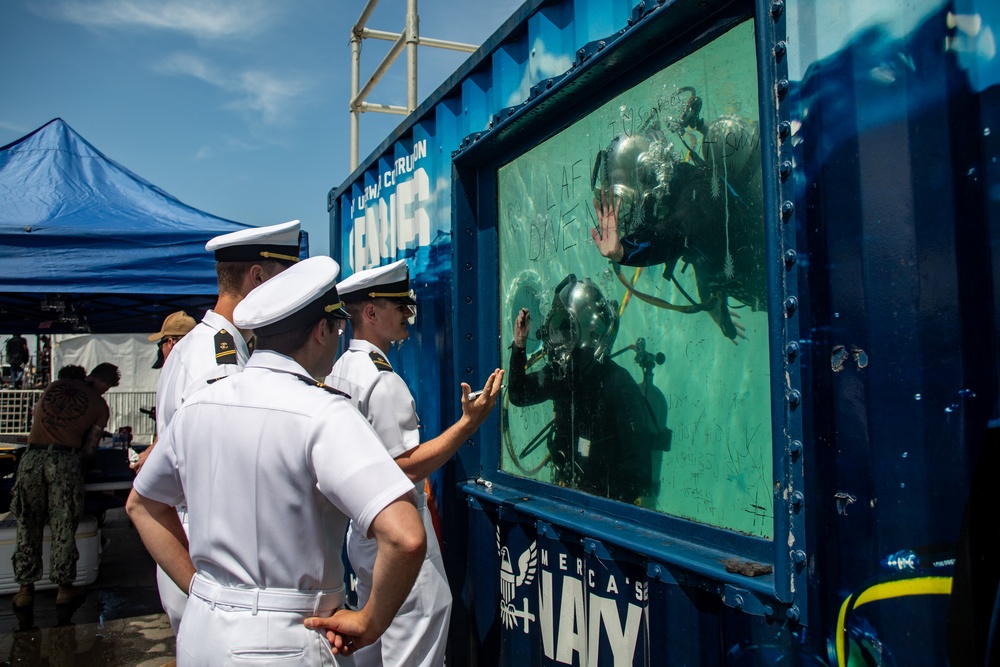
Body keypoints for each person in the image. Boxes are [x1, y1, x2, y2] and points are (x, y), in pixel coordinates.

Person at [127, 256, 426, 665]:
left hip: (201, 635)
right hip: (289, 638)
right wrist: (371, 622)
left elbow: (142, 504)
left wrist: (199, 587)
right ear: (321, 331)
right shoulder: (324, 413)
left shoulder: (198, 406)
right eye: (337, 328)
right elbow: (405, 537)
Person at [326, 258, 503, 667]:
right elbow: (402, 467)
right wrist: (468, 424)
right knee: (414, 650)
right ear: (370, 313)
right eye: (397, 305)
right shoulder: (381, 380)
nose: (408, 313)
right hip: (397, 536)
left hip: (364, 531)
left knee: (374, 652)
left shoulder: (342, 368)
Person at [132, 219, 301, 634]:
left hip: (193, 535)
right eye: (285, 281)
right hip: (208, 544)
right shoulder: (220, 360)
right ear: (257, 277)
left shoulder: (194, 346)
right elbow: (233, 472)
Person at [591, 89, 765, 341]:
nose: (626, 216)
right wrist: (713, 304)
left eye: (629, 202)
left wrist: (623, 252)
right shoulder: (675, 198)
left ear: (647, 179)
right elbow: (696, 253)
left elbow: (676, 236)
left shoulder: (699, 194)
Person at [508, 275, 657, 503]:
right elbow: (518, 394)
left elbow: (640, 474)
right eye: (557, 330)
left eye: (567, 330)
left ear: (590, 332)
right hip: (567, 496)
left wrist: (594, 497)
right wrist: (519, 346)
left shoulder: (618, 384)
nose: (558, 343)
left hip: (603, 509)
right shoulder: (561, 377)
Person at [10, 362, 121, 608]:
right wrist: (76, 462)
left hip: (31, 458)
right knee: (63, 524)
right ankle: (64, 587)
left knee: (28, 522)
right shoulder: (99, 404)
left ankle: (25, 590)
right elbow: (91, 448)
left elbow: (37, 418)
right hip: (63, 460)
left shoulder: (52, 388)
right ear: (104, 383)